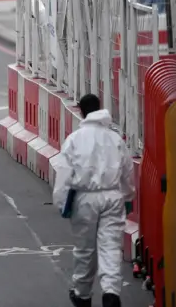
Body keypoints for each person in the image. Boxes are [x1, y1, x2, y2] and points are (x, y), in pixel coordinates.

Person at [52, 94, 135, 307]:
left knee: (85, 249)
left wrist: (61, 204)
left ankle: (82, 294)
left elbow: (64, 175)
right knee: (110, 247)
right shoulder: (115, 138)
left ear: (80, 110)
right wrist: (128, 196)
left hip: (84, 198)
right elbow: (127, 171)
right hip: (113, 196)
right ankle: (111, 292)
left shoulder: (74, 139)